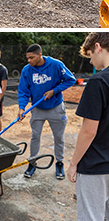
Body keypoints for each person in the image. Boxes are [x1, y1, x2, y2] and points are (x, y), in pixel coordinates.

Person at [18, 43, 76, 180]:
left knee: (59, 137)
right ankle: (32, 162)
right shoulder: (27, 70)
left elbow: (70, 80)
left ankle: (60, 163)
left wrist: (54, 91)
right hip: (37, 109)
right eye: (27, 58)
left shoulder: (56, 65)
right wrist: (22, 107)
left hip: (56, 108)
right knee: (35, 136)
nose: (29, 61)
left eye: (31, 58)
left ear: (40, 55)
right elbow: (23, 91)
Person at [68, 32, 109, 221]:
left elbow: (89, 130)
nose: (91, 61)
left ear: (98, 47)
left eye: (91, 55)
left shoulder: (98, 82)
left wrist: (74, 163)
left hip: (96, 166)